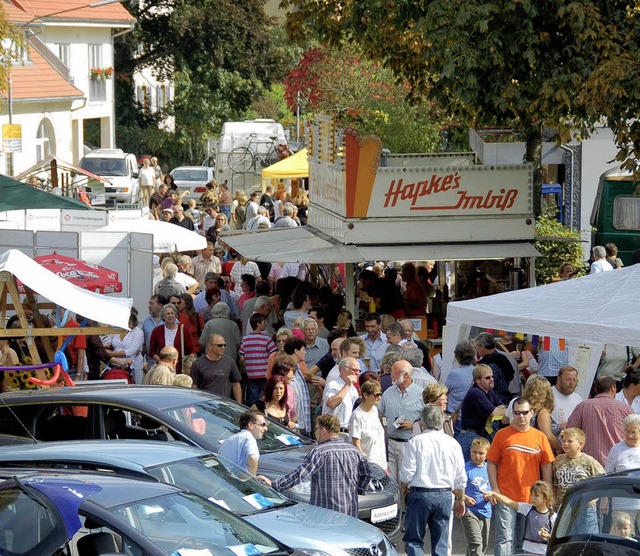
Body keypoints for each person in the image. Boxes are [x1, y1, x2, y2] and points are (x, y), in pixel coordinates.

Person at [261, 414, 372, 517]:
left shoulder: (320, 451)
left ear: (323, 431)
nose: (315, 433)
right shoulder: (353, 450)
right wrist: (358, 490)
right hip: (350, 512)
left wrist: (274, 484)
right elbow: (366, 473)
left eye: (316, 429)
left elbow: (300, 474)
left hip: (325, 514)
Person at [487, 396, 554, 556]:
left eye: (524, 412)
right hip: (506, 496)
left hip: (531, 499)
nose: (521, 416)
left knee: (522, 542)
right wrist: (495, 490)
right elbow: (491, 463)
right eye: (517, 413)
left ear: (532, 413)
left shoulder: (540, 437)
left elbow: (546, 465)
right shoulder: (502, 435)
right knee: (504, 539)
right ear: (513, 414)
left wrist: (548, 492)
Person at [400, 405, 467, 556]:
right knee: (441, 544)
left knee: (414, 540)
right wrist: (461, 499)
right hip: (444, 495)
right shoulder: (453, 444)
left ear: (423, 422)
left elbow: (406, 473)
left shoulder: (416, 441)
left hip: (420, 494)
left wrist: (403, 488)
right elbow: (460, 477)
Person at [379, 359, 425, 493]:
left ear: (406, 375)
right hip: (390, 443)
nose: (391, 376)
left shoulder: (421, 394)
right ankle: (394, 510)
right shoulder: (388, 392)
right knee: (390, 482)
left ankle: (405, 511)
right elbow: (380, 413)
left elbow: (427, 420)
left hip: (408, 444)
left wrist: (414, 424)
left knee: (406, 481)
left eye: (394, 373)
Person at [567, 375, 635, 466]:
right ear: (613, 388)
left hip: (590, 462)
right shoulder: (626, 409)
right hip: (619, 462)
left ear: (596, 389)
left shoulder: (583, 406)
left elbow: (570, 432)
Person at [552, 427, 604, 534]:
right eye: (563, 441)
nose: (565, 443)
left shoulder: (589, 461)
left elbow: (603, 480)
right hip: (564, 508)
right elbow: (555, 484)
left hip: (584, 508)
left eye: (570, 441)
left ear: (580, 444)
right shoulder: (558, 460)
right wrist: (554, 504)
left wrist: (594, 499)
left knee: (587, 541)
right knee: (566, 541)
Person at [484, 481, 556, 555]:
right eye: (532, 495)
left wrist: (548, 536)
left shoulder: (553, 517)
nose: (532, 498)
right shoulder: (528, 508)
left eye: (536, 496)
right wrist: (494, 494)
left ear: (546, 498)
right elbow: (509, 502)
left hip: (544, 552)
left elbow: (557, 538)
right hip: (527, 551)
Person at [457, 364, 505, 462]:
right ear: (478, 380)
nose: (491, 379)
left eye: (492, 377)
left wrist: (500, 410)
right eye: (487, 378)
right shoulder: (475, 392)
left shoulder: (488, 390)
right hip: (470, 436)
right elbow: (495, 413)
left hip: (480, 435)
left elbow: (502, 406)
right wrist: (500, 411)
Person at [604, 414, 640, 530]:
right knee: (622, 541)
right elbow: (608, 475)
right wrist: (604, 500)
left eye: (634, 432)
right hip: (622, 505)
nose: (630, 435)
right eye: (627, 431)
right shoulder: (616, 449)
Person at [462, 437, 492, 556]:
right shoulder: (466, 468)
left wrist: (491, 496)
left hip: (485, 510)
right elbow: (456, 487)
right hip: (470, 511)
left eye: (481, 453)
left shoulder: (490, 468)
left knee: (482, 545)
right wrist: (465, 498)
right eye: (474, 452)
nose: (477, 456)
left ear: (487, 454)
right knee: (476, 544)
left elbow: (495, 489)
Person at [191, 333, 242, 402]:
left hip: (223, 404)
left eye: (224, 345)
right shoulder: (197, 364)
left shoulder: (229, 361)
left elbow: (236, 383)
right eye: (220, 345)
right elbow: (194, 387)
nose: (223, 347)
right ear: (210, 346)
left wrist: (239, 404)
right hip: (204, 405)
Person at [239, 314, 277, 406]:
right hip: (264, 374)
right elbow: (274, 354)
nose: (265, 324)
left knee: (254, 399)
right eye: (263, 322)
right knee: (268, 397)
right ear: (258, 324)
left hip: (251, 374)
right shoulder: (267, 339)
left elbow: (242, 357)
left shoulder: (245, 339)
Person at [349, 380, 386, 470]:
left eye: (380, 394)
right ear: (365, 395)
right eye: (376, 395)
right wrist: (365, 465)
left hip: (381, 464)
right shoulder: (357, 415)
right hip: (367, 466)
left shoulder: (376, 410)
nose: (380, 398)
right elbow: (356, 444)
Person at [148, 303, 195, 375]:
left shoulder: (184, 329)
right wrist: (161, 361)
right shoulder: (157, 331)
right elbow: (152, 352)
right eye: (167, 314)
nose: (170, 316)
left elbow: (191, 351)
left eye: (172, 313)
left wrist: (189, 365)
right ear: (163, 316)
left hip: (180, 369)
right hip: (163, 370)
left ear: (176, 315)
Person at [474, 332, 519, 404]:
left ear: (482, 346)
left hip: (494, 401)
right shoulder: (504, 357)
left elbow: (486, 386)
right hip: (506, 398)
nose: (476, 350)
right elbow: (511, 375)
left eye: (477, 347)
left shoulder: (487, 365)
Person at [219, 410, 268, 475]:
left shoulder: (229, 440)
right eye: (263, 424)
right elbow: (252, 458)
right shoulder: (249, 439)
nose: (266, 429)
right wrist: (252, 480)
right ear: (251, 425)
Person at [104, 308, 145, 384]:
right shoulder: (117, 330)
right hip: (114, 366)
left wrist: (110, 354)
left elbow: (129, 352)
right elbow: (108, 341)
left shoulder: (138, 332)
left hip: (132, 366)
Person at [321, 357, 361, 430]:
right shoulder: (332, 384)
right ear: (343, 370)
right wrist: (347, 385)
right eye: (355, 370)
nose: (358, 373)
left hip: (349, 431)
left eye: (359, 371)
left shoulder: (353, 389)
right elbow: (331, 404)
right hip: (333, 431)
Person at [445, 341, 476, 432]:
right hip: (473, 415)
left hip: (457, 415)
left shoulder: (454, 373)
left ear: (457, 356)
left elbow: (444, 390)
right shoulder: (477, 371)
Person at [550, 365, 582, 438]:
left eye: (574, 380)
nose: (571, 383)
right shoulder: (548, 395)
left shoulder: (577, 398)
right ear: (558, 379)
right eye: (568, 379)